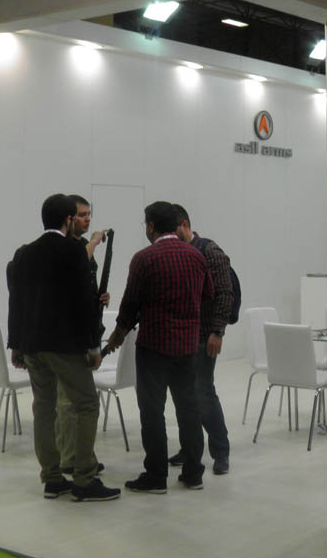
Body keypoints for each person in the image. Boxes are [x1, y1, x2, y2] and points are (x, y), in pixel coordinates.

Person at [6, 193, 120, 502]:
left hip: (32, 345)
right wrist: (94, 346)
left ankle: (52, 477)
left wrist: (15, 344)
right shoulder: (73, 251)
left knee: (44, 408)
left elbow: (16, 300)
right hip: (64, 345)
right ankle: (84, 477)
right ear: (68, 220)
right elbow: (83, 302)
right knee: (87, 404)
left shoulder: (24, 253)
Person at [104, 201, 214, 494]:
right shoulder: (196, 255)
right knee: (189, 409)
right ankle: (194, 473)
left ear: (151, 226)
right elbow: (207, 295)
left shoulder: (144, 259)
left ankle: (155, 476)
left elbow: (130, 306)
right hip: (187, 347)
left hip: (154, 346)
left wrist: (116, 337)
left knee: (152, 411)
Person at [167, 203, 234, 475]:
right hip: (180, 336)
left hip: (204, 336)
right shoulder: (176, 252)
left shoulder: (209, 250)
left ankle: (220, 451)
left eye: (173, 231)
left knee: (203, 393)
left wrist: (218, 331)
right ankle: (190, 448)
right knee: (183, 396)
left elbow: (225, 292)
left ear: (185, 225)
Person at [56, 194, 110, 477]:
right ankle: (70, 458)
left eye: (89, 214)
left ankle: (80, 456)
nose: (87, 219)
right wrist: (95, 242)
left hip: (83, 331)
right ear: (68, 218)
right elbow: (75, 267)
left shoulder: (81, 246)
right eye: (81, 215)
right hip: (67, 335)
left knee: (77, 401)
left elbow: (82, 280)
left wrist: (98, 296)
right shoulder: (66, 247)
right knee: (68, 401)